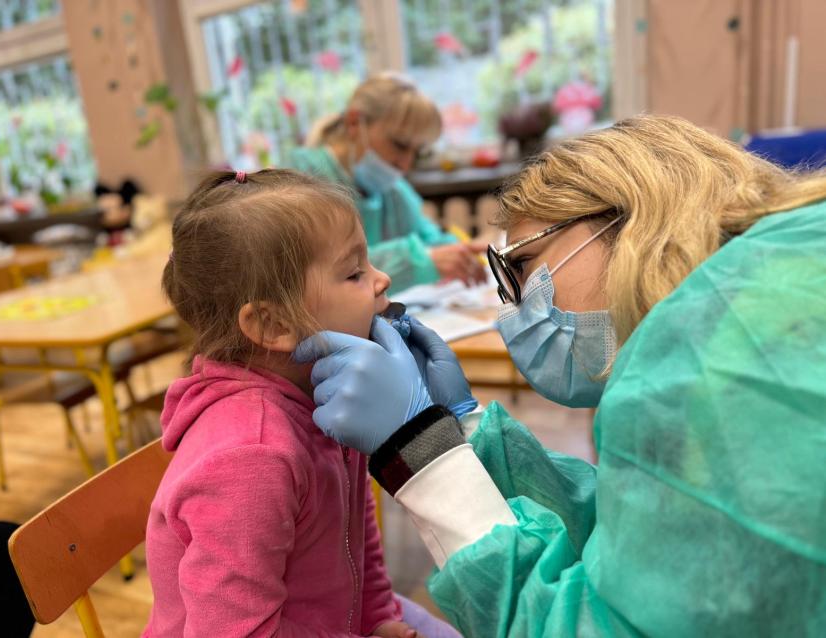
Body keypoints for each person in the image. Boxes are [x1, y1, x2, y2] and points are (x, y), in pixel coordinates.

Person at [295, 115, 826, 637]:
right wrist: (459, 433)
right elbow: (644, 537)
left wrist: (422, 453)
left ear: (625, 218)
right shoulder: (775, 283)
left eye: (522, 266)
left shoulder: (707, 368)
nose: (516, 305)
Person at [144, 169, 460, 637]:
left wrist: (379, 616)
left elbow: (354, 533)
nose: (382, 279)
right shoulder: (252, 458)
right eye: (354, 273)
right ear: (272, 325)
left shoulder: (327, 397)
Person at [291, 73, 486, 293]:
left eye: (417, 152)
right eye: (400, 144)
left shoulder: (393, 190)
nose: (405, 164)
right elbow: (321, 273)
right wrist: (420, 261)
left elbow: (429, 239)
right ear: (354, 123)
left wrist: (460, 252)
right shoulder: (298, 184)